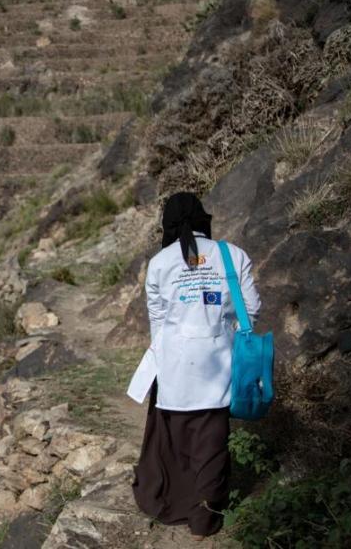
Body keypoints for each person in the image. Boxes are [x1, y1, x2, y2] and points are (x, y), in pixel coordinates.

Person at [126, 192, 261, 539]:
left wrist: (172, 347)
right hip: (219, 364)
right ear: (204, 220)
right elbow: (252, 309)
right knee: (212, 443)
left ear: (168, 226)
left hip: (174, 367)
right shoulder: (233, 255)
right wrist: (220, 331)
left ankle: (174, 504)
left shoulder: (159, 263)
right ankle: (205, 520)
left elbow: (157, 320)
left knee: (177, 441)